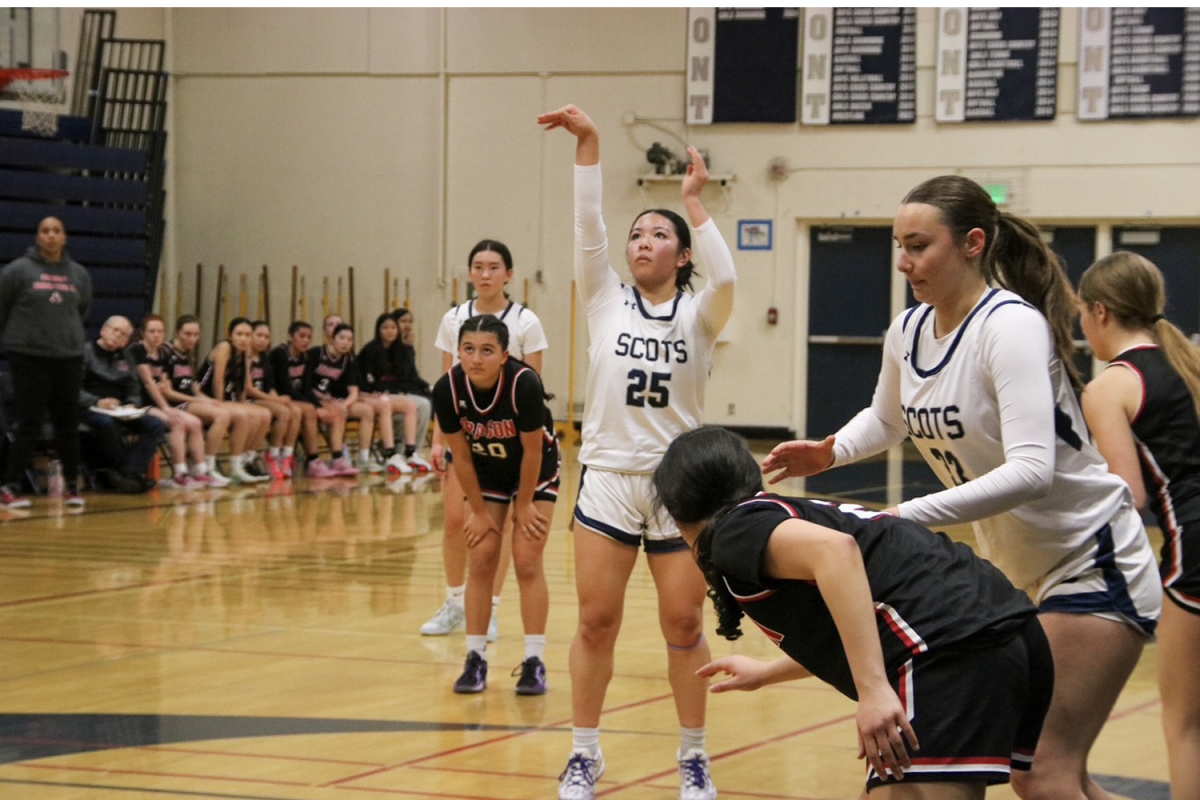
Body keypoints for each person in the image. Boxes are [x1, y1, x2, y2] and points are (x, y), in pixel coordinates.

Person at [761, 175, 1161, 800]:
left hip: (1092, 559)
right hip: (1019, 572)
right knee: (1062, 776)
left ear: (973, 243)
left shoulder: (1010, 326)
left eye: (919, 245)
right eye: (899, 244)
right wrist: (831, 450)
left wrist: (902, 516)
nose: (903, 261)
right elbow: (888, 419)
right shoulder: (908, 331)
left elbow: (1033, 471)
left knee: (1041, 772)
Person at [654, 426, 1054, 793]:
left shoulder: (733, 532)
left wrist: (873, 689)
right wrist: (768, 672)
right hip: (1006, 631)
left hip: (951, 649)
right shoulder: (779, 518)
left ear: (676, 513)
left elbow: (836, 553)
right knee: (1057, 784)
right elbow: (875, 613)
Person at [538, 104, 735, 800]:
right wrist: (589, 144)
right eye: (638, 233)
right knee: (596, 621)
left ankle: (693, 757)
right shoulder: (603, 300)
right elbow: (586, 227)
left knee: (684, 624)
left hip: (679, 490)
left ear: (681, 255)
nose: (642, 241)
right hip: (609, 482)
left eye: (659, 235)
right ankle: (584, 753)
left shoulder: (702, 311)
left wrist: (692, 206)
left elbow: (729, 279)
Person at [1076, 251, 1200, 800]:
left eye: (1081, 312)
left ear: (1099, 311)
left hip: (1193, 551)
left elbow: (1130, 493)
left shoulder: (1110, 385)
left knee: (1186, 726)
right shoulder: (1189, 363)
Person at [421, 239, 549, 642]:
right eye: (478, 266)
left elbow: (533, 388)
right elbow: (448, 383)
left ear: (509, 274)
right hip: (468, 436)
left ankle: (489, 608)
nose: (486, 274)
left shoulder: (525, 321)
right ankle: (455, 602)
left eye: (494, 267)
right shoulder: (454, 317)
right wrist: (439, 440)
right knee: (457, 522)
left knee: (504, 525)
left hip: (511, 439)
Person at [432, 314, 559, 695]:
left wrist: (523, 506)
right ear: (458, 352)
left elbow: (533, 451)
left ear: (504, 355)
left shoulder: (524, 384)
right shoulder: (447, 389)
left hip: (533, 472)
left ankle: (535, 661)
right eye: (468, 349)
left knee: (526, 559)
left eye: (487, 350)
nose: (476, 358)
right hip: (485, 471)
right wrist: (480, 511)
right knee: (483, 555)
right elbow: (462, 458)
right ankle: (475, 659)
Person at [0, 216, 91, 508]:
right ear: (38, 237)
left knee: (68, 423)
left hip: (68, 356)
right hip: (28, 356)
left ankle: (73, 486)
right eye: (45, 231)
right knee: (30, 422)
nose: (51, 236)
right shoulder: (18, 271)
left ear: (64, 237)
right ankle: (9, 486)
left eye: (56, 231)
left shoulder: (78, 274)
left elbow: (82, 310)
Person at [160, 316, 262, 484]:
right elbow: (168, 392)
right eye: (188, 334)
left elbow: (193, 387)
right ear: (177, 332)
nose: (192, 338)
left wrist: (206, 399)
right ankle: (207, 466)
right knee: (222, 415)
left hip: (191, 400)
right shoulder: (166, 352)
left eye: (196, 334)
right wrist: (205, 400)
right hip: (175, 404)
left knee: (245, 415)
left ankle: (238, 465)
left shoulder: (187, 354)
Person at [128, 314, 226, 489]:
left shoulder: (162, 353)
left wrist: (165, 398)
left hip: (156, 403)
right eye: (152, 331)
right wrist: (166, 408)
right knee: (178, 422)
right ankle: (179, 474)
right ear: (143, 333)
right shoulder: (137, 349)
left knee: (195, 423)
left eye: (160, 331)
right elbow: (149, 382)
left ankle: (200, 471)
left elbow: (164, 385)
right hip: (139, 403)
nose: (156, 335)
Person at [78, 316, 167, 494]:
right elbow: (72, 389)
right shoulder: (85, 353)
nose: (117, 335)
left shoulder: (126, 357)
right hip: (89, 407)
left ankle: (126, 473)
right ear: (103, 330)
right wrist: (97, 401)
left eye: (123, 334)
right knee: (107, 424)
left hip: (120, 410)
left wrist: (131, 404)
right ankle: (127, 475)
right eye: (114, 330)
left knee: (156, 424)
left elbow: (133, 387)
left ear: (127, 340)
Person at [305, 322, 407, 477]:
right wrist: (321, 401)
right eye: (342, 338)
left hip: (336, 400)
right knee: (337, 413)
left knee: (366, 410)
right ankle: (334, 457)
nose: (346, 342)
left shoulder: (349, 360)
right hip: (314, 398)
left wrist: (344, 405)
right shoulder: (316, 353)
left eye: (349, 339)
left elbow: (354, 392)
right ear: (332, 338)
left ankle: (363, 457)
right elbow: (305, 384)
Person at [197, 317, 273, 483]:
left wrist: (243, 404)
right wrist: (220, 404)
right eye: (239, 334)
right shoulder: (224, 347)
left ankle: (244, 461)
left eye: (247, 335)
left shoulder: (245, 354)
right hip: (205, 396)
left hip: (227, 399)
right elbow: (218, 380)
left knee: (264, 415)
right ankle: (210, 466)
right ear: (230, 335)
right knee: (242, 416)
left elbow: (242, 387)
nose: (243, 338)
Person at [268, 320, 346, 478]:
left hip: (295, 398)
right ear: (291, 336)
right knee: (309, 410)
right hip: (277, 396)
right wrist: (315, 407)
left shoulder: (306, 356)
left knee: (331, 410)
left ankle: (337, 458)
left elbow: (307, 387)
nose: (305, 341)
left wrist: (319, 406)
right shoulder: (280, 353)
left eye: (309, 337)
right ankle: (312, 459)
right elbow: (285, 387)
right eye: (301, 336)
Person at [358, 311, 429, 474]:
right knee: (391, 404)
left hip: (395, 393)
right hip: (375, 394)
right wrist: (379, 391)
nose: (389, 331)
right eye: (385, 328)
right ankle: (393, 451)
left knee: (423, 404)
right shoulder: (370, 350)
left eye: (392, 328)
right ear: (378, 330)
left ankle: (414, 452)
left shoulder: (402, 350)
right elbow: (366, 379)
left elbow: (406, 377)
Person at [247, 320, 303, 479]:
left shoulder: (264, 359)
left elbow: (270, 387)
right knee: (283, 412)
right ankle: (271, 454)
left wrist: (277, 398)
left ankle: (286, 454)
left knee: (295, 410)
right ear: (250, 335)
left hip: (263, 399)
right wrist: (277, 401)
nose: (262, 340)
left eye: (266, 337)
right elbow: (249, 389)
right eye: (259, 335)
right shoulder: (245, 358)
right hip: (248, 400)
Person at [392, 307, 434, 463]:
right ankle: (402, 448)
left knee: (429, 402)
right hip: (392, 391)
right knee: (421, 404)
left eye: (410, 321)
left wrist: (429, 387)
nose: (407, 325)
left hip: (405, 390)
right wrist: (405, 347)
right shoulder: (391, 346)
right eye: (403, 321)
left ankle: (417, 450)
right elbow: (399, 375)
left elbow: (413, 375)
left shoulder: (408, 347)